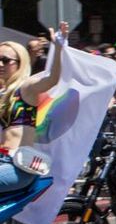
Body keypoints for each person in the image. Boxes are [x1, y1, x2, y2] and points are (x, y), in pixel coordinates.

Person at [0, 22, 68, 193]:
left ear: (19, 63)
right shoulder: (3, 93)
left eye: (5, 60)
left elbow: (52, 79)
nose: (0, 65)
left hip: (17, 165)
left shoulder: (26, 88)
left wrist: (58, 48)